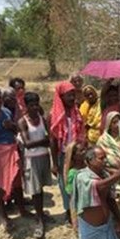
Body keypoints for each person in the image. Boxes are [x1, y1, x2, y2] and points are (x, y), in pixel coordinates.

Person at [0, 85, 30, 217]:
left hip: (12, 151)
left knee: (17, 183)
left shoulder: (6, 112)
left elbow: (16, 131)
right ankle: (4, 217)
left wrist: (12, 126)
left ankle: (22, 210)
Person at [18, 92, 53, 239]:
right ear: (26, 106)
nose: (35, 107)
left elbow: (49, 138)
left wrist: (44, 142)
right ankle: (39, 220)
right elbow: (27, 144)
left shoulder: (42, 119)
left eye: (36, 104)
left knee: (41, 188)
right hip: (31, 159)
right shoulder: (23, 121)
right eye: (31, 105)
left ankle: (41, 214)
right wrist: (43, 142)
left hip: (44, 157)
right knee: (35, 190)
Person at [50, 81, 86, 224]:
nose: (72, 98)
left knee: (78, 180)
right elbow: (52, 141)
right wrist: (54, 163)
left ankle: (79, 209)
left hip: (77, 153)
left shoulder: (76, 112)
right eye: (68, 95)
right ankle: (68, 212)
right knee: (65, 184)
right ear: (61, 96)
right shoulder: (54, 115)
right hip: (63, 155)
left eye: (73, 94)